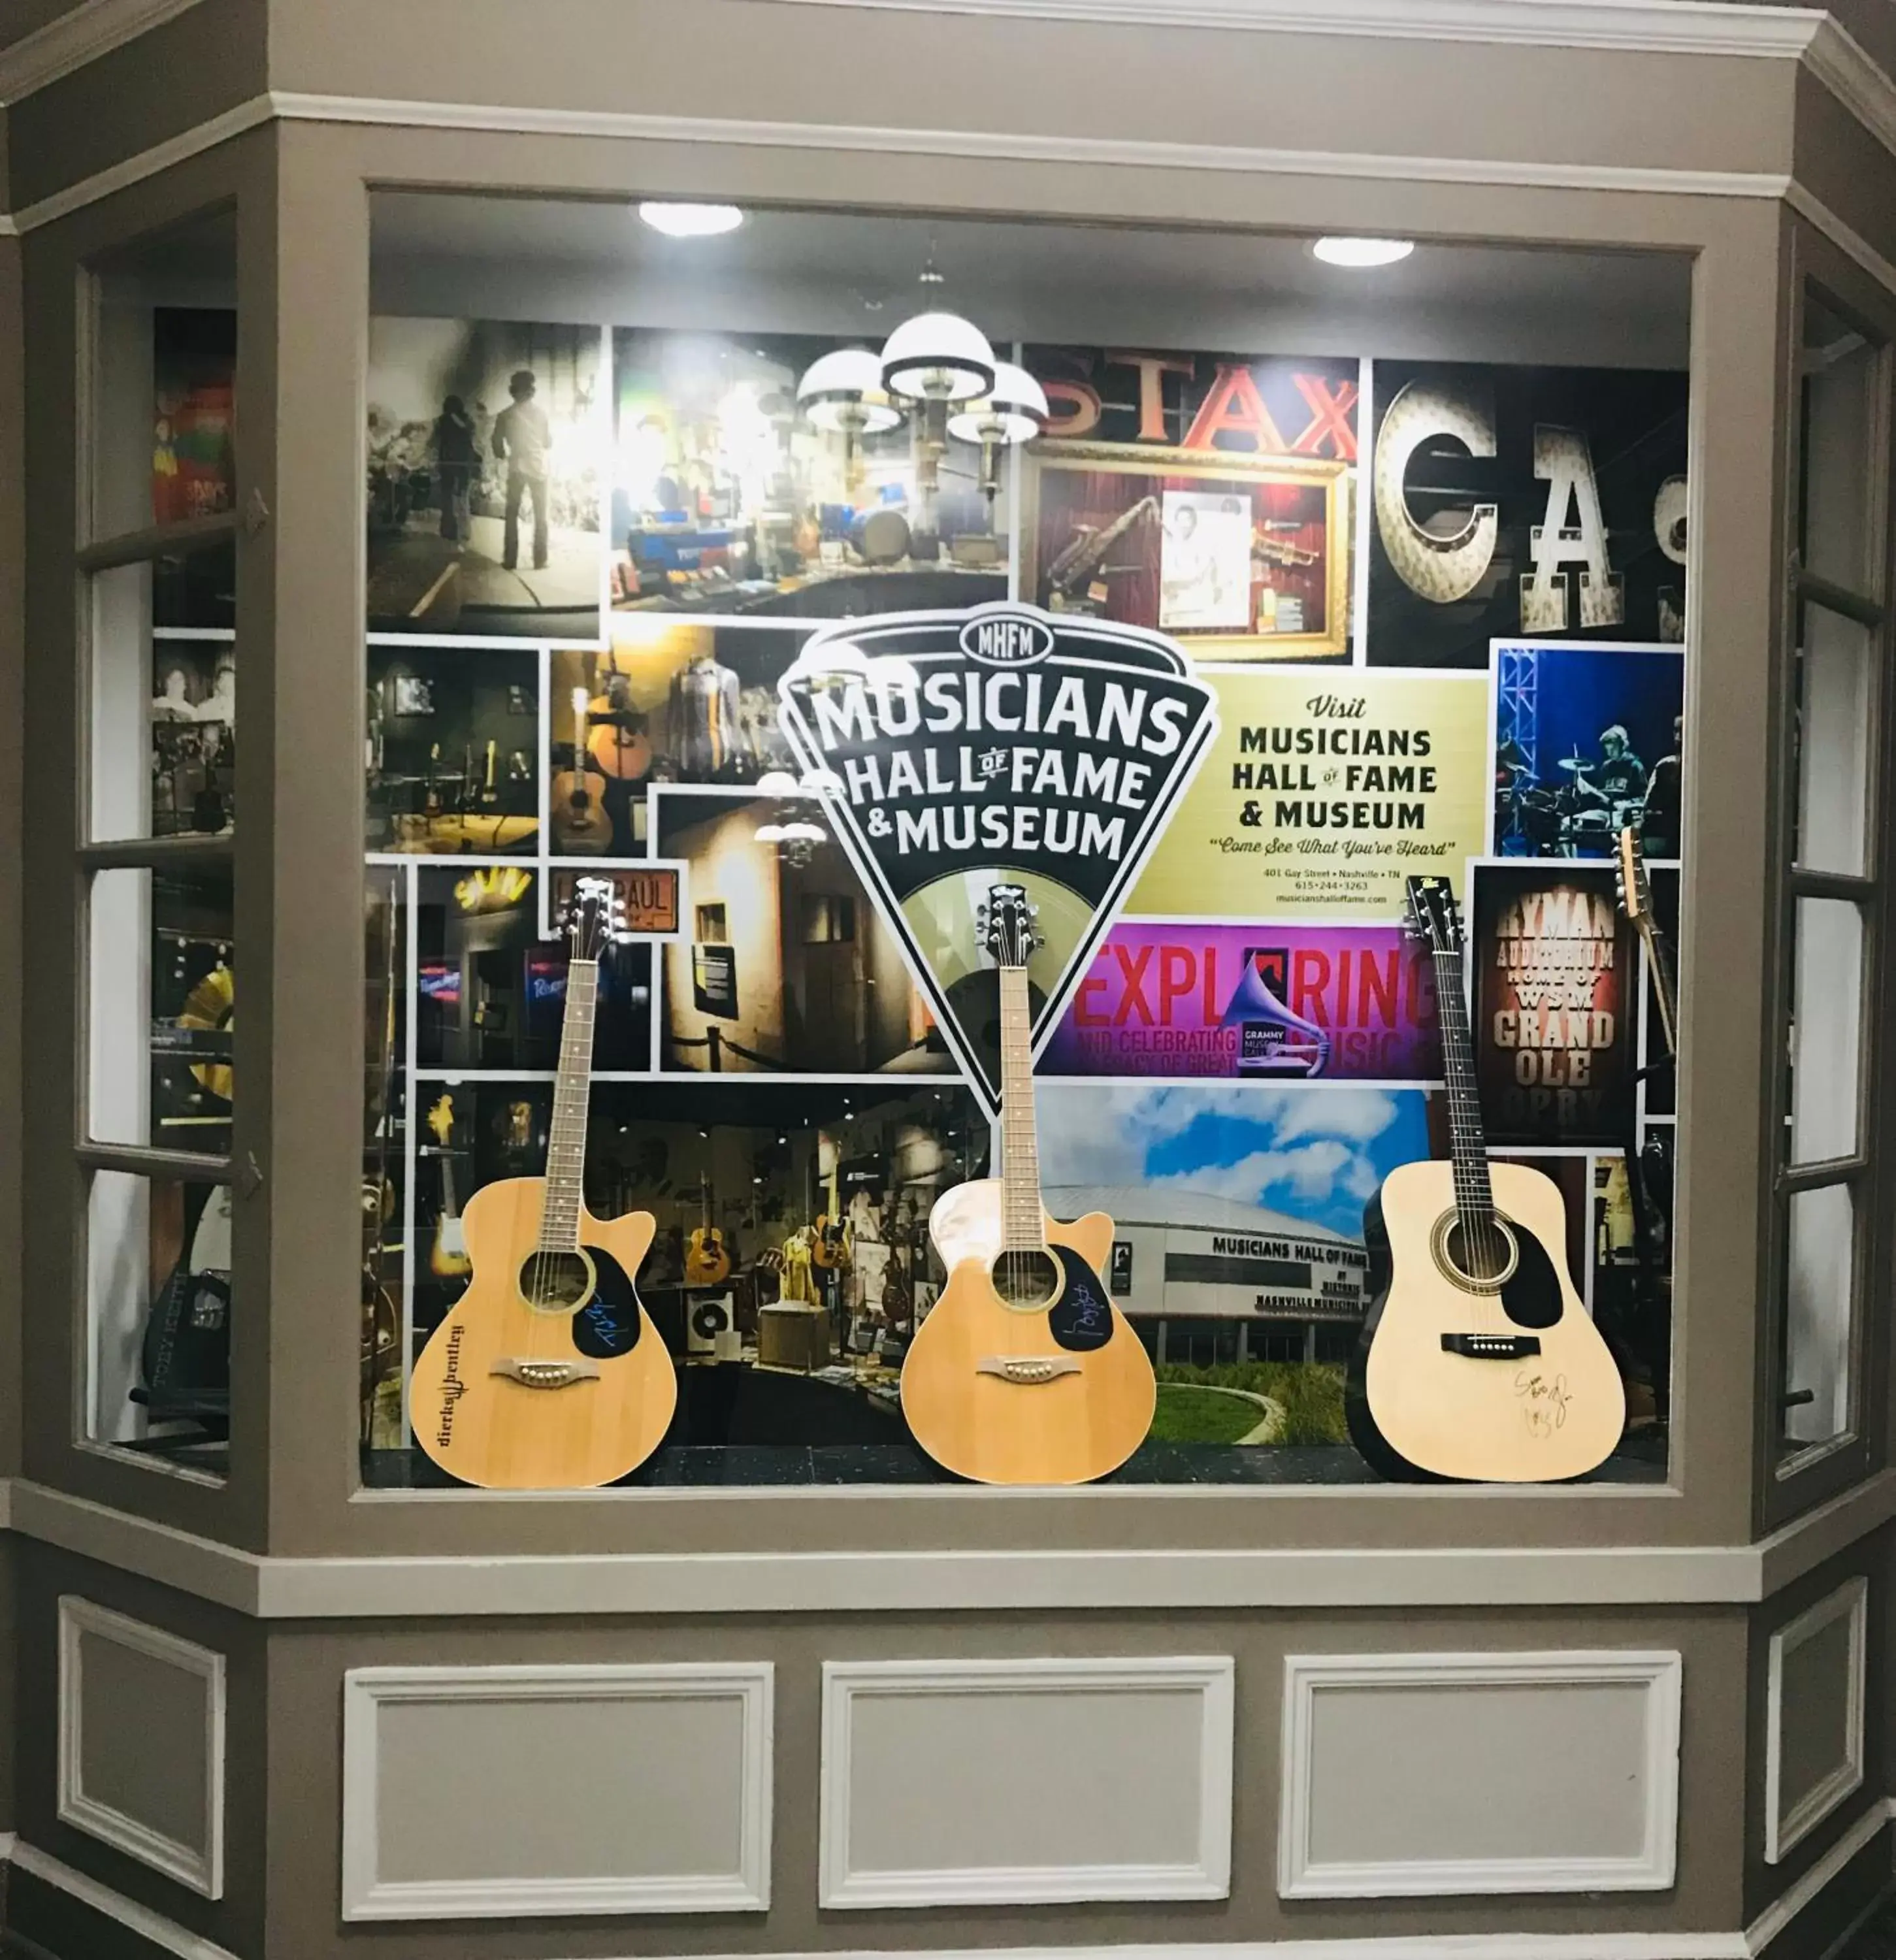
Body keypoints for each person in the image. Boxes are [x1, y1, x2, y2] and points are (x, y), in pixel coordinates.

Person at [490, 368, 551, 573]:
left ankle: (510, 560)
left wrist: (503, 455)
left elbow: (496, 443)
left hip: (516, 468)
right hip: (539, 469)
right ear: (532, 392)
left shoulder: (505, 415)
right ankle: (540, 560)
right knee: (541, 516)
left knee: (512, 514)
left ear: (513, 392)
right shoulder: (541, 414)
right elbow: (548, 442)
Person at [431, 395, 478, 544]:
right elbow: (471, 435)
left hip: (447, 463)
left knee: (447, 498)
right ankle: (465, 532)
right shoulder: (468, 420)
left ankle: (448, 530)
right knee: (463, 498)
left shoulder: (441, 421)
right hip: (464, 464)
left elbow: (435, 441)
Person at [1641, 713, 1684, 857]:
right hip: (1665, 834)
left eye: (1682, 731)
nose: (1678, 737)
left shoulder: (1665, 765)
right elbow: (1648, 806)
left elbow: (1648, 805)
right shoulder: (1664, 766)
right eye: (1676, 731)